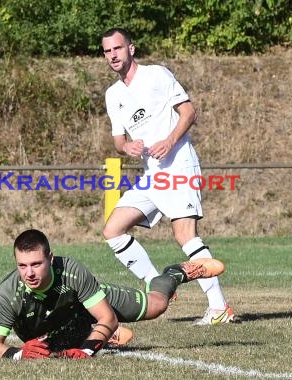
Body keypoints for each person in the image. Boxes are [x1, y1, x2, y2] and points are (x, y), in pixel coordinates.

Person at [100, 27, 234, 326]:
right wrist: (127, 147)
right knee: (113, 230)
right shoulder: (113, 94)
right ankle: (157, 286)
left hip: (178, 165)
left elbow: (188, 112)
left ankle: (219, 307)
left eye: (117, 48)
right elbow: (119, 141)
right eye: (107, 51)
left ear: (131, 49)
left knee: (185, 234)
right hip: (153, 174)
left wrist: (170, 141)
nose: (113, 55)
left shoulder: (156, 75)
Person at [0, 229, 225, 360]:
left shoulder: (72, 272)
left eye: (36, 264)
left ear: (51, 258)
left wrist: (87, 350)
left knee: (156, 305)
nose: (29, 273)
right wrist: (18, 354)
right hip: (57, 327)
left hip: (86, 301)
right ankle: (99, 334)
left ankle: (174, 273)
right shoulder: (9, 293)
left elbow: (108, 317)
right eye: (22, 266)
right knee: (54, 352)